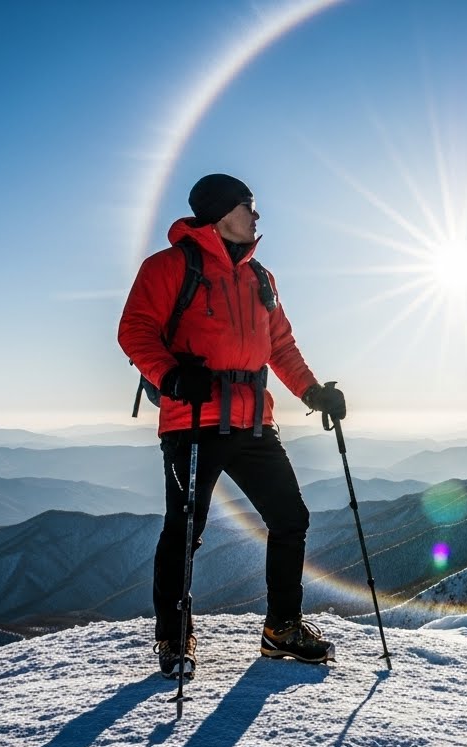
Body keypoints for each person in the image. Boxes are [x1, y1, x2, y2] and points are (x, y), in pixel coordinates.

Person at [118, 172, 347, 678]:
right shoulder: (168, 267)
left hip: (253, 421)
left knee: (291, 518)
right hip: (192, 420)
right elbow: (134, 330)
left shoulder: (261, 277)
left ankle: (281, 629)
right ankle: (174, 639)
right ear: (223, 213)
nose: (257, 216)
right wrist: (172, 376)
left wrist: (312, 392)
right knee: (184, 531)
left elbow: (281, 346)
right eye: (250, 206)